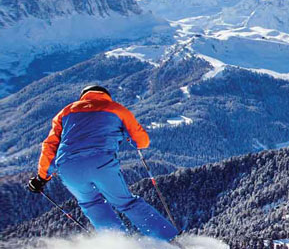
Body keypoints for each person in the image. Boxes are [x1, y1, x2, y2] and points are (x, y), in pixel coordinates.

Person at [26, 85, 178, 241]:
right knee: (127, 203)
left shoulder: (65, 112)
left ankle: (117, 243)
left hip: (68, 168)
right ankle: (169, 240)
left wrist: (41, 178)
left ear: (83, 96)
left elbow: (49, 146)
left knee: (91, 203)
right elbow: (142, 141)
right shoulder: (116, 109)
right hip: (101, 164)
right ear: (106, 95)